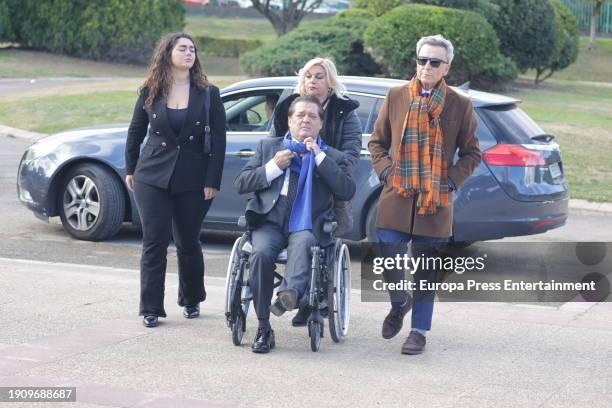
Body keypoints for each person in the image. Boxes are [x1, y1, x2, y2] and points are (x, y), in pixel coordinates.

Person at [367, 35, 481, 354]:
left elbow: (472, 154)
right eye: (422, 60)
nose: (426, 67)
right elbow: (376, 143)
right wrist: (387, 171)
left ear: (447, 67)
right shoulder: (396, 96)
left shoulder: (460, 104)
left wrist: (450, 181)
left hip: (435, 200)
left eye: (434, 62)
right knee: (389, 255)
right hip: (397, 194)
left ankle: (418, 331)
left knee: (426, 269)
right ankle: (399, 302)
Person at [234, 96, 356, 353]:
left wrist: (321, 158)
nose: (305, 120)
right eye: (299, 115)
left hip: (307, 224)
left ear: (320, 124)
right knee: (260, 254)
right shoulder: (269, 147)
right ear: (289, 120)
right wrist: (273, 167)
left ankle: (288, 295)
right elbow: (241, 183)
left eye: (312, 116)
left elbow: (346, 190)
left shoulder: (332, 156)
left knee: (304, 243)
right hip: (270, 221)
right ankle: (264, 326)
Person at [125, 33, 226, 328]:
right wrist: (131, 168)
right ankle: (150, 308)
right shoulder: (149, 90)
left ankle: (192, 297)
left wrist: (213, 180)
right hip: (152, 175)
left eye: (192, 49)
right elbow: (135, 132)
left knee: (188, 241)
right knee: (154, 242)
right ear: (167, 53)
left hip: (194, 178)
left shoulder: (209, 93)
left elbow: (219, 140)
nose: (189, 53)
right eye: (182, 48)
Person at [271, 57, 363, 326]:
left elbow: (351, 157)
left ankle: (314, 301)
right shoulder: (290, 107)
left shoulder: (345, 112)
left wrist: (321, 153)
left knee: (321, 240)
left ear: (330, 81)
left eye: (319, 76)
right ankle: (294, 294)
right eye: (309, 75)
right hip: (292, 186)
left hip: (328, 190)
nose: (313, 81)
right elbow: (275, 143)